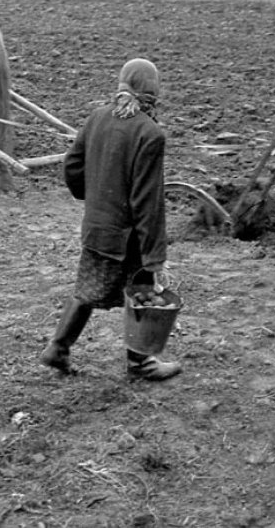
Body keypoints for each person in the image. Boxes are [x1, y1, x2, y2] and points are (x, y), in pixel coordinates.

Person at [41, 58, 182, 382]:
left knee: (87, 289)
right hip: (125, 235)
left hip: (97, 227)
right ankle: (141, 363)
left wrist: (95, 200)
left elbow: (72, 168)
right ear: (153, 92)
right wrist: (155, 256)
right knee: (143, 289)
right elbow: (148, 203)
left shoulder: (97, 118)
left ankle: (58, 348)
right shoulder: (150, 133)